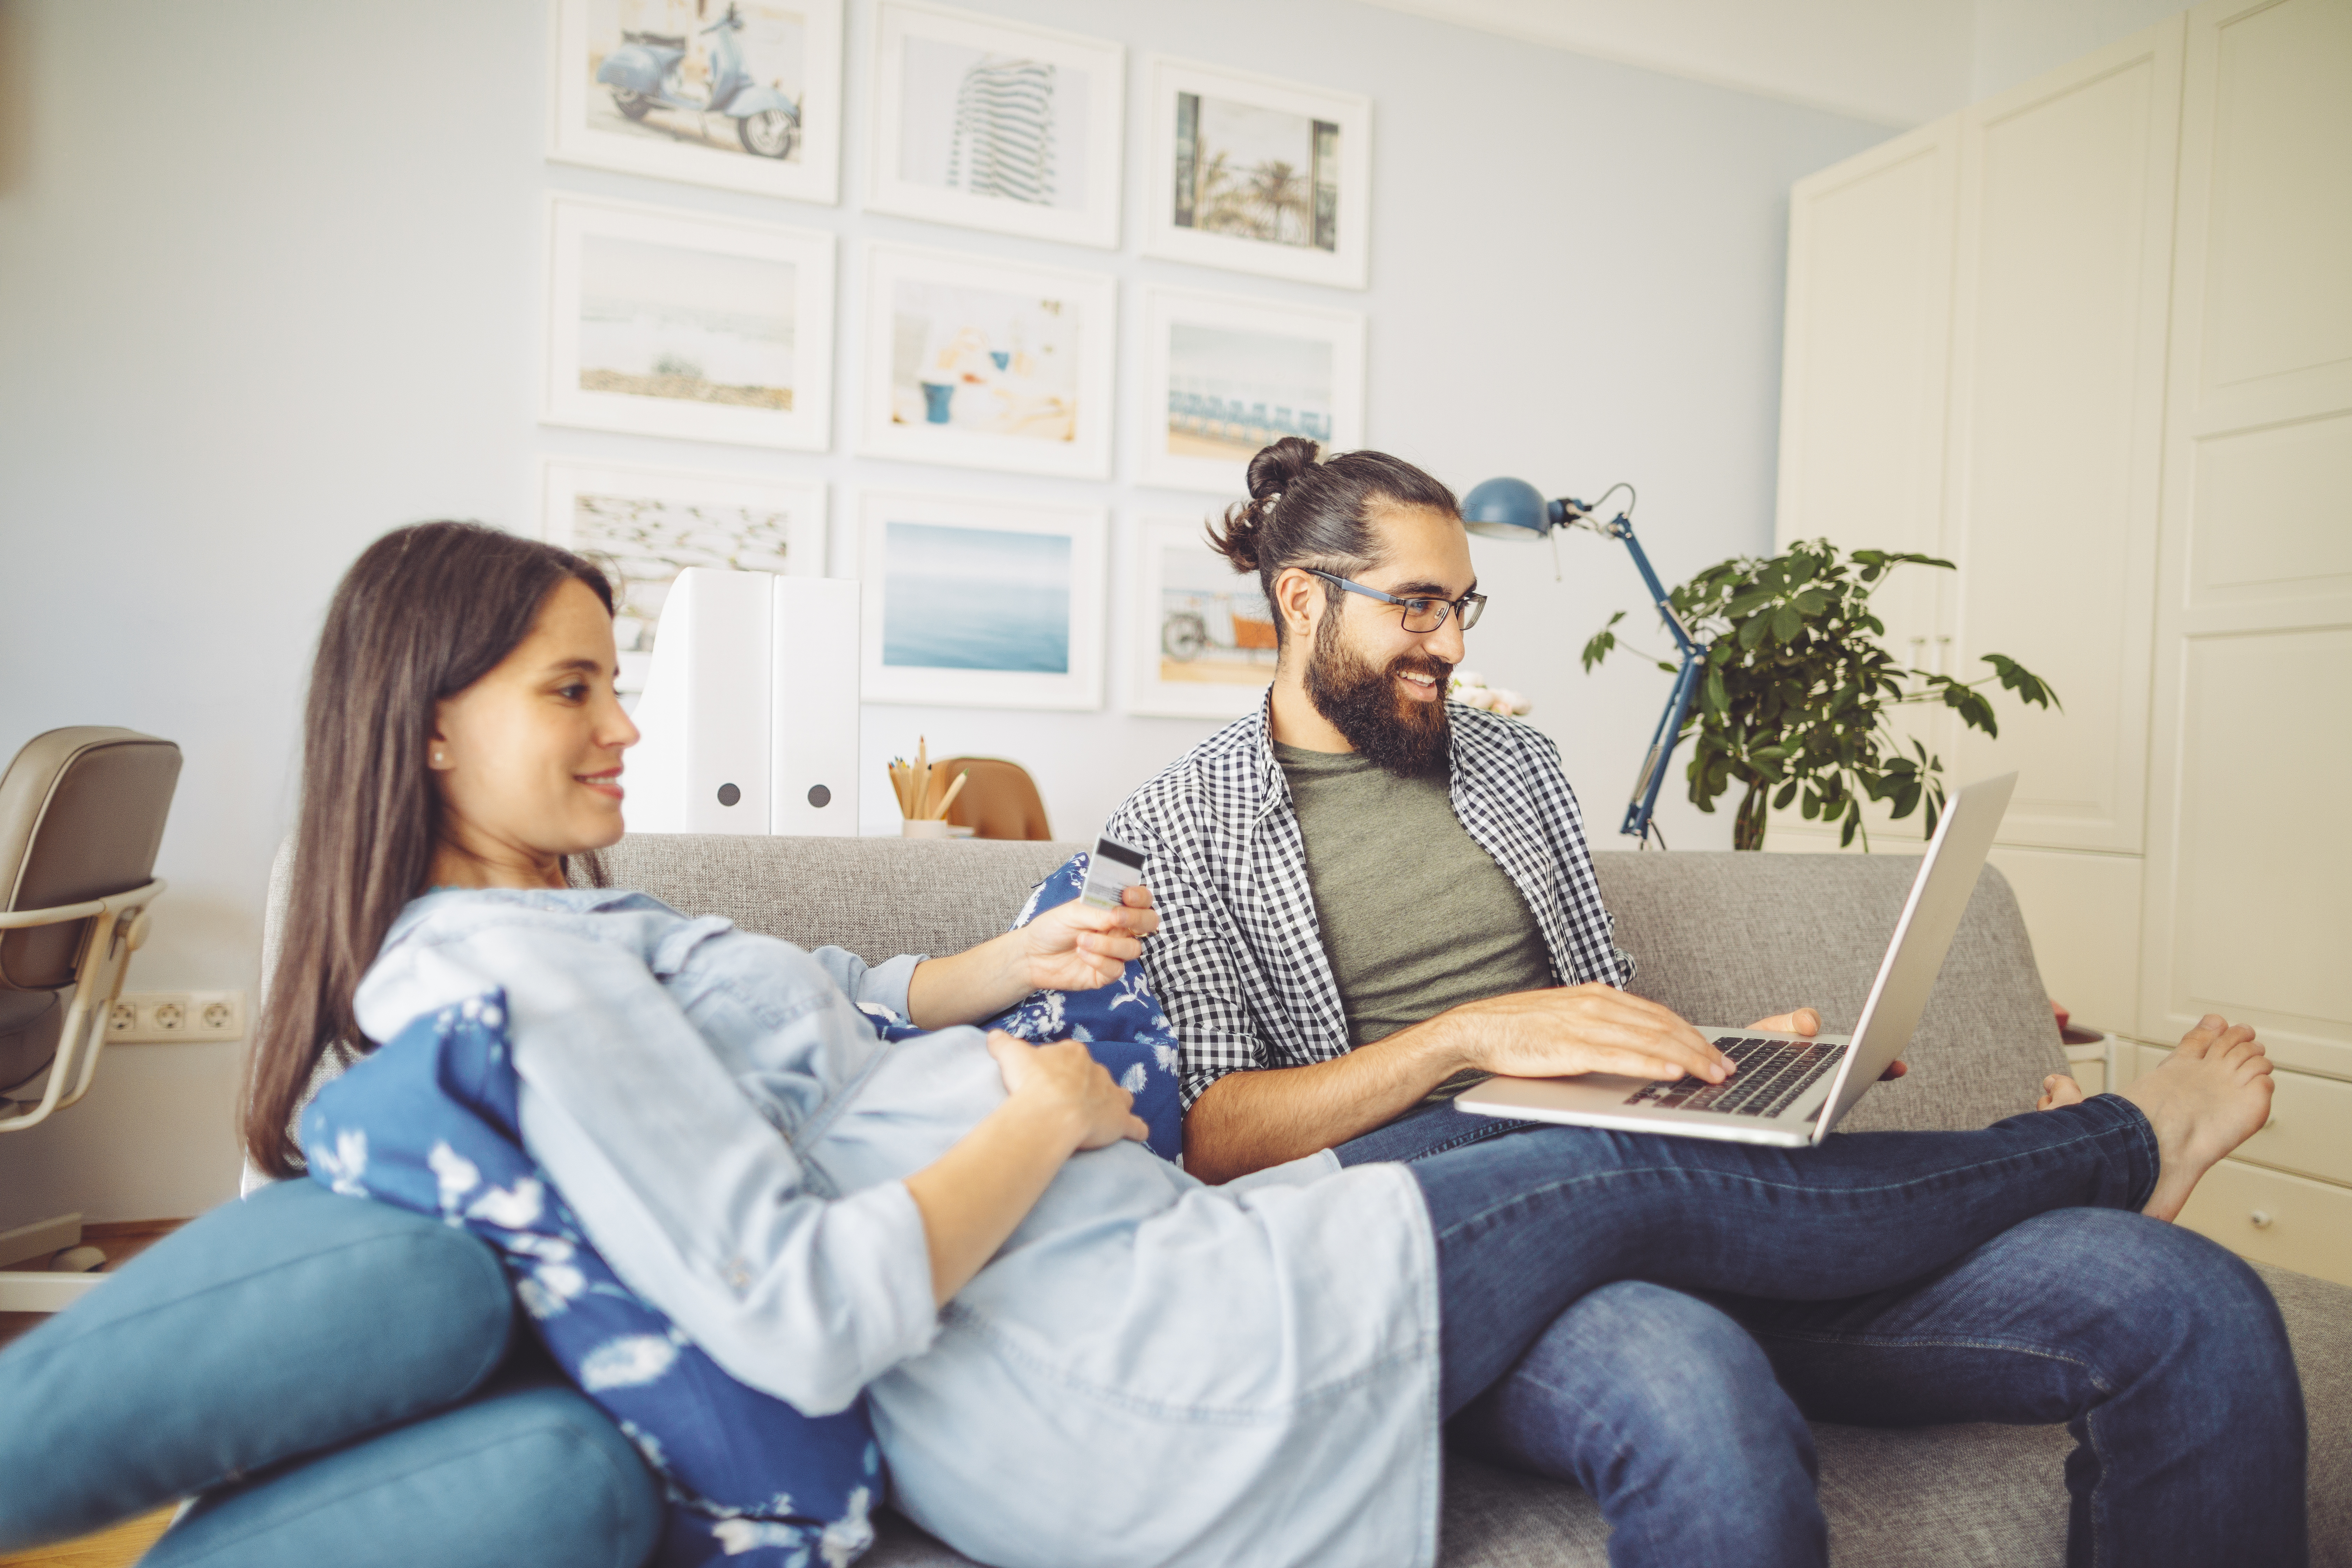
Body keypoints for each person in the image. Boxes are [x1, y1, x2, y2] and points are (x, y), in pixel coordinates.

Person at [248, 520, 2294, 1568]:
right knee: (1634, 1226)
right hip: (1194, 1281)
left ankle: (1944, 1150)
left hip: (1194, 1253)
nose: (622, 729)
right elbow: (817, 1296)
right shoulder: (519, 979)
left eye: (1469, 609)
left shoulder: (583, 931)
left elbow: (818, 1021)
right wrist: (1045, 1110)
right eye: (576, 689)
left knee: (2119, 1289)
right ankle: (2113, 1130)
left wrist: (983, 976)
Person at [1103, 437, 2305, 1568]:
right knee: (1694, 1382)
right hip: (1450, 1226)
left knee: (2190, 1300)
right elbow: (1214, 1135)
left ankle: (2002, 1157)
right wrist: (1466, 1037)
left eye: (1462, 606)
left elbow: (1591, 1008)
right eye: (1415, 605)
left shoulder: (1516, 766)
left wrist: (1711, 1056)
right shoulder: (1180, 829)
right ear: (1302, 601)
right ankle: (2105, 1145)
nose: (1451, 645)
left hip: (1646, 1165)